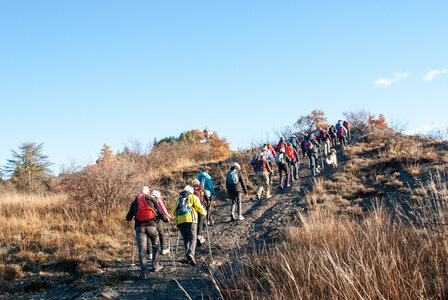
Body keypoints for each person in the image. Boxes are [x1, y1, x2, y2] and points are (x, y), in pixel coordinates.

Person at [126, 186, 169, 279]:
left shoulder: (134, 202)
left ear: (140, 193)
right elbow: (160, 212)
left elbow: (128, 217)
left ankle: (144, 272)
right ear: (148, 193)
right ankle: (155, 265)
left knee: (142, 250)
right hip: (152, 226)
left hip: (139, 228)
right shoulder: (152, 199)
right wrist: (166, 219)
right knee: (156, 244)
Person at [172, 185, 207, 266]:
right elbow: (198, 207)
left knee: (186, 239)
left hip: (180, 222)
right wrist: (205, 213)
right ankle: (191, 253)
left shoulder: (179, 199)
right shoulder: (193, 197)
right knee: (193, 238)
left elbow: (174, 212)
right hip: (191, 220)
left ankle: (188, 257)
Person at [146, 190, 171, 258]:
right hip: (156, 219)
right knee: (161, 233)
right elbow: (163, 209)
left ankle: (149, 253)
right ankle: (164, 249)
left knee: (148, 236)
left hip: (148, 219)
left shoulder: (147, 199)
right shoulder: (157, 200)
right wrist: (167, 216)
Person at [191, 179, 210, 245]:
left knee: (194, 222)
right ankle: (199, 235)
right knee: (200, 222)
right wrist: (208, 202)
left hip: (193, 208)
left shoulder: (191, 188)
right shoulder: (201, 187)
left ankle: (194, 237)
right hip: (201, 206)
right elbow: (206, 196)